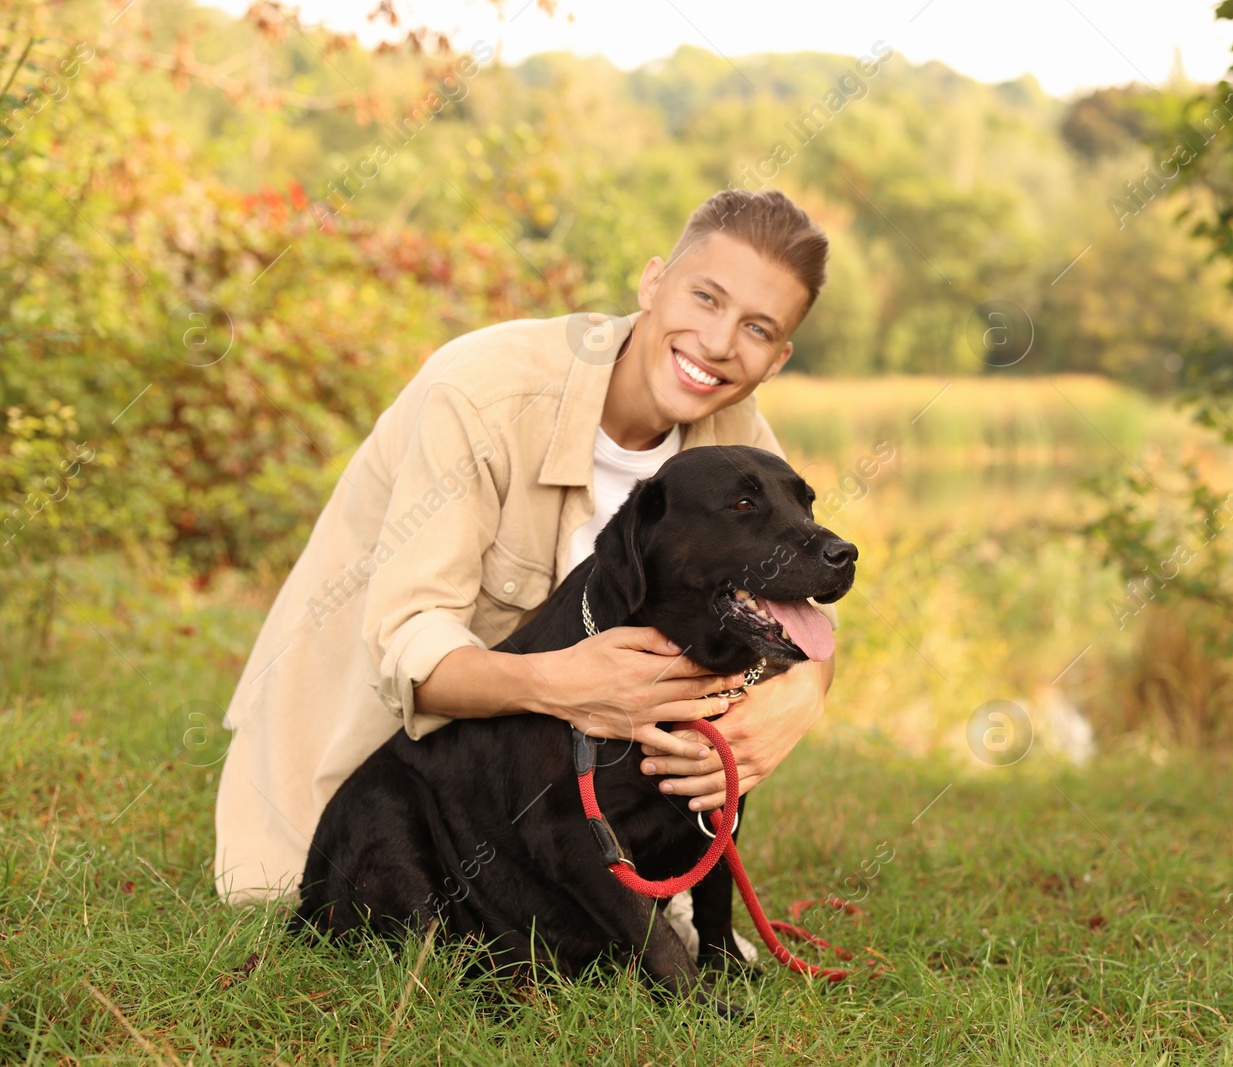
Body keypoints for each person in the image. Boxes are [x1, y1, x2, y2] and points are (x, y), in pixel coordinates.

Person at [213, 189, 840, 963]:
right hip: (384, 801)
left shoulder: (738, 436)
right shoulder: (481, 392)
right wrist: (564, 682)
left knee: (589, 954)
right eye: (704, 297)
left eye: (756, 329)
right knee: (388, 938)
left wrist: (799, 698)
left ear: (778, 358)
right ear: (653, 282)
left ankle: (623, 909)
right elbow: (410, 652)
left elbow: (797, 605)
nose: (717, 342)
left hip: (556, 819)